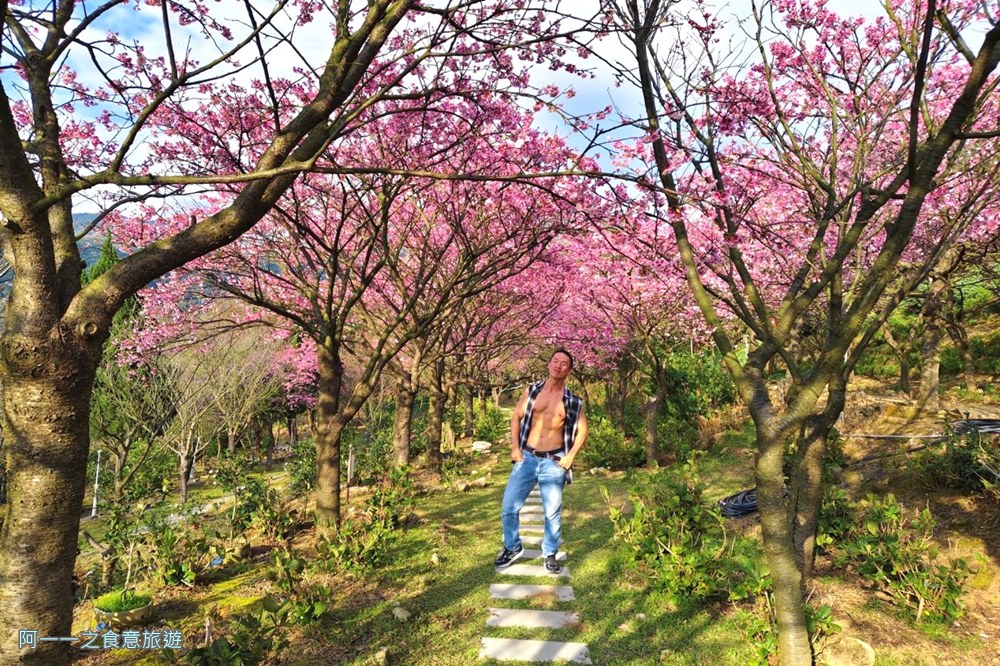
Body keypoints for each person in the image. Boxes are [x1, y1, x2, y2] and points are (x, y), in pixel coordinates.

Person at [494, 348, 588, 574]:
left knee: (552, 512)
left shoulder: (572, 401)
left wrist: (571, 455)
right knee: (509, 506)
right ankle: (512, 547)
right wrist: (515, 447)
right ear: (549, 364)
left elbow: (583, 429)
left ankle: (550, 553)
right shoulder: (532, 391)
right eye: (555, 361)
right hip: (527, 458)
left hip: (553, 462)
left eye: (564, 363)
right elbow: (516, 417)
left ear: (569, 370)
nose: (558, 365)